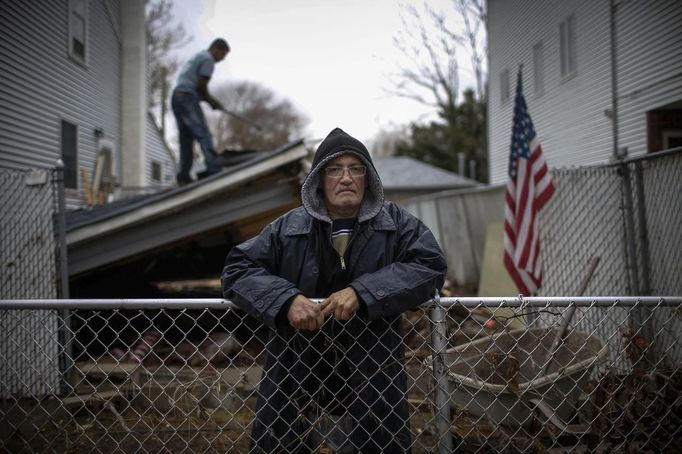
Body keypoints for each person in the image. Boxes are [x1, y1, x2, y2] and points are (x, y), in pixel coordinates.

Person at [221, 127, 447, 452]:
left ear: (368, 178)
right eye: (334, 169)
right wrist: (286, 300)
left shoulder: (396, 225)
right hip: (295, 371)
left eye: (356, 169)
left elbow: (430, 264)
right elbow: (237, 268)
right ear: (318, 180)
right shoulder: (289, 228)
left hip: (372, 375)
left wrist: (364, 292)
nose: (346, 178)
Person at [171, 38, 230, 185]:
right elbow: (201, 85)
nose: (222, 59)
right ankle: (214, 168)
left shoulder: (198, 56)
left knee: (186, 139)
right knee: (202, 133)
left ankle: (183, 175)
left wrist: (207, 99)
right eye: (222, 55)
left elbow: (196, 86)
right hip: (187, 98)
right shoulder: (208, 59)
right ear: (216, 49)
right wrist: (212, 101)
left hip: (177, 97)